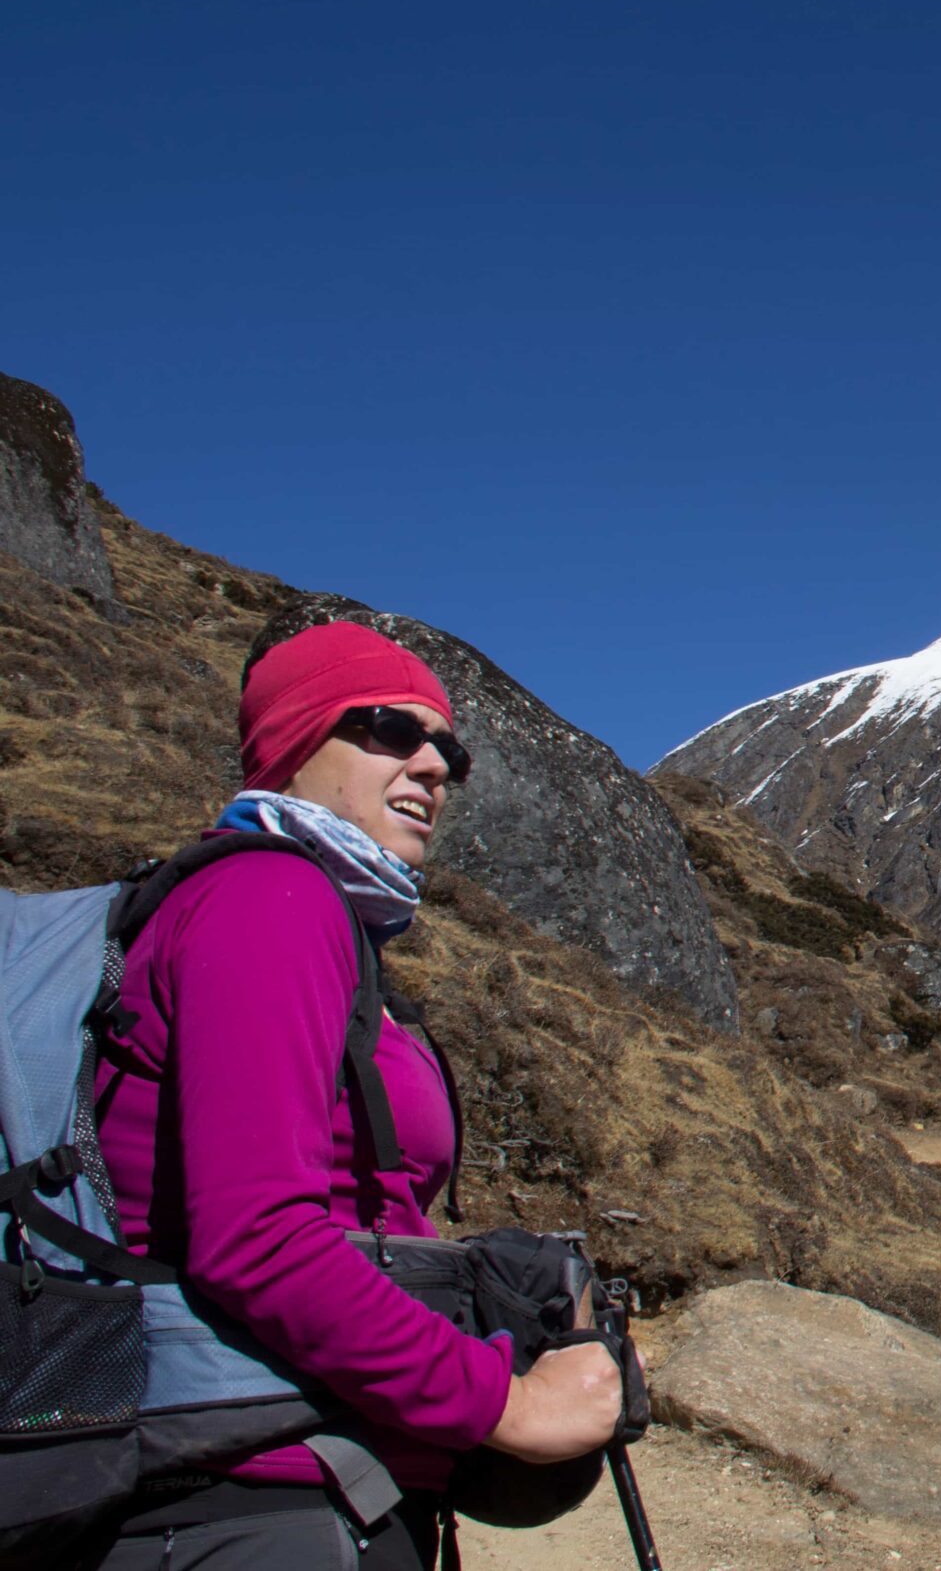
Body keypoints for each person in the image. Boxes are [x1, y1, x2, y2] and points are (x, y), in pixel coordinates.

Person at [78, 620, 623, 1569]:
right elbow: (258, 1240)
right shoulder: (269, 898)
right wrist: (509, 1401)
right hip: (252, 1498)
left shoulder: (304, 914)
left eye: (445, 747)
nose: (432, 765)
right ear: (293, 742)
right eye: (385, 729)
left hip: (289, 1479)